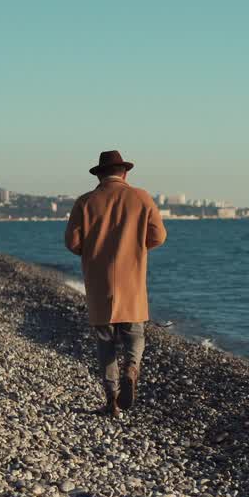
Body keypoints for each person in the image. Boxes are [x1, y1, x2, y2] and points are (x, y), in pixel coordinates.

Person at [64, 150, 167, 417]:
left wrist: (93, 252)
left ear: (99, 175)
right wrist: (136, 247)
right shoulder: (141, 197)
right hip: (131, 279)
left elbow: (72, 243)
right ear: (125, 173)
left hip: (99, 282)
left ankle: (112, 401)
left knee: (105, 342)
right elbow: (158, 236)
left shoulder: (86, 202)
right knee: (135, 334)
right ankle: (131, 369)